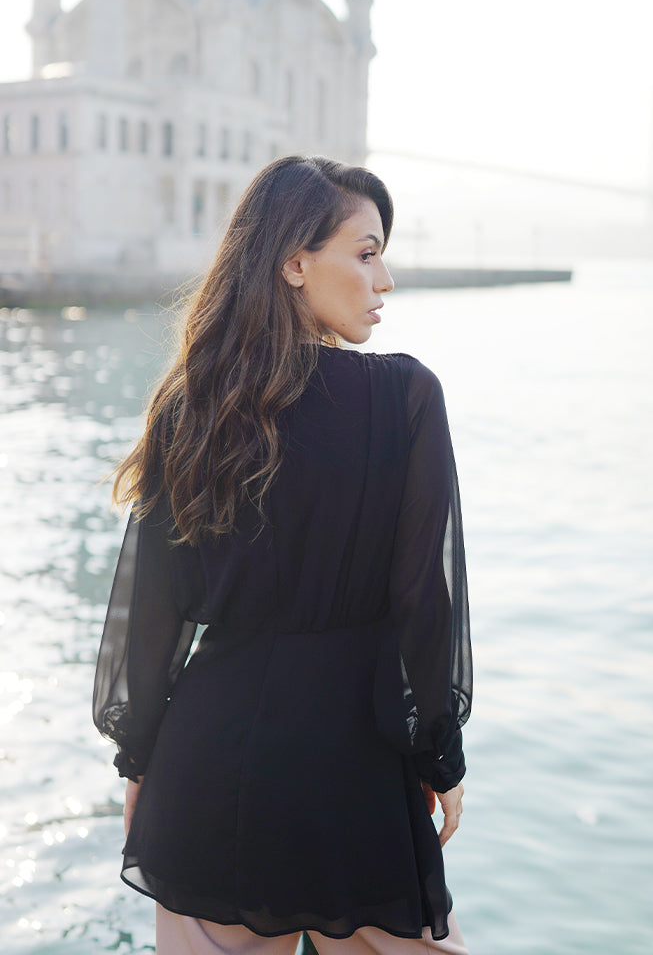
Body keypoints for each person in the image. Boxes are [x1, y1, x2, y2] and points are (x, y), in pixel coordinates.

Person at [93, 153, 473, 955]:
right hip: (353, 773)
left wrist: (141, 759)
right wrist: (438, 752)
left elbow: (150, 612)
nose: (385, 279)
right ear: (296, 262)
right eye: (366, 253)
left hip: (209, 769)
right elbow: (423, 607)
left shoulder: (191, 404)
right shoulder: (405, 397)